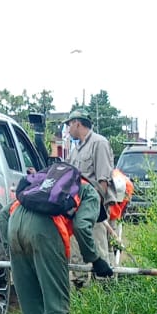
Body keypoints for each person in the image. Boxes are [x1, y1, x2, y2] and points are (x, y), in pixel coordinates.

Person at [3, 170, 114, 314]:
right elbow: (82, 227)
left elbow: (2, 214)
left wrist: (14, 252)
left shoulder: (46, 181)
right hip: (45, 231)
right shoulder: (90, 193)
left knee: (32, 303)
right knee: (56, 303)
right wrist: (96, 260)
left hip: (13, 226)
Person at [66, 108, 115, 263]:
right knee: (77, 253)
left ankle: (103, 284)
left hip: (92, 207)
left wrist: (95, 208)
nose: (68, 129)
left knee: (98, 249)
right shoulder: (75, 150)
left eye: (69, 124)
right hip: (76, 208)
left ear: (77, 123)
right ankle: (80, 284)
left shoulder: (99, 143)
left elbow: (103, 180)